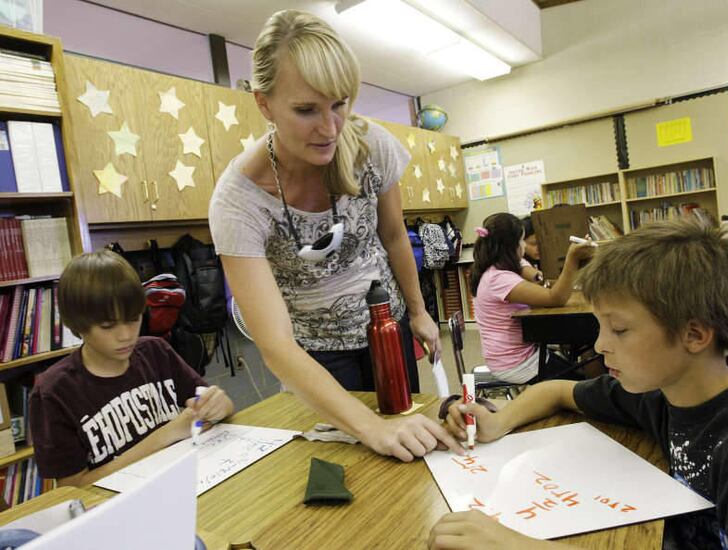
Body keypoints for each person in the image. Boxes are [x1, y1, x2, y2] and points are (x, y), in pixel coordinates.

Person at [431, 219, 728, 550]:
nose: (599, 345)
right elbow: (557, 389)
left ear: (695, 334)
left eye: (619, 329)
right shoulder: (664, 393)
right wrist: (498, 421)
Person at [208, 10, 460, 461]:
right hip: (316, 356)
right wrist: (371, 429)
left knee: (412, 446)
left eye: (340, 103)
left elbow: (394, 236)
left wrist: (419, 312)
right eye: (306, 110)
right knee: (350, 464)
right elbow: (275, 343)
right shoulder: (237, 202)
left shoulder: (372, 147)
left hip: (386, 328)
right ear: (263, 104)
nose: (330, 128)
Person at [29, 251, 234, 487]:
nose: (126, 335)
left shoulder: (156, 352)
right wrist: (167, 434)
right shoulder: (54, 392)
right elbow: (73, 487)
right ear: (78, 325)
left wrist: (218, 404)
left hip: (182, 484)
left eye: (134, 319)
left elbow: (222, 406)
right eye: (107, 326)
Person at [470, 213, 594, 384]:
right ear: (511, 245)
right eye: (521, 240)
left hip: (518, 355)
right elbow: (555, 298)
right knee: (581, 382)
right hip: (516, 363)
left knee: (579, 362)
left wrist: (540, 277)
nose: (523, 245)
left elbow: (528, 271)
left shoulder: (496, 269)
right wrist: (572, 259)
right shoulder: (499, 279)